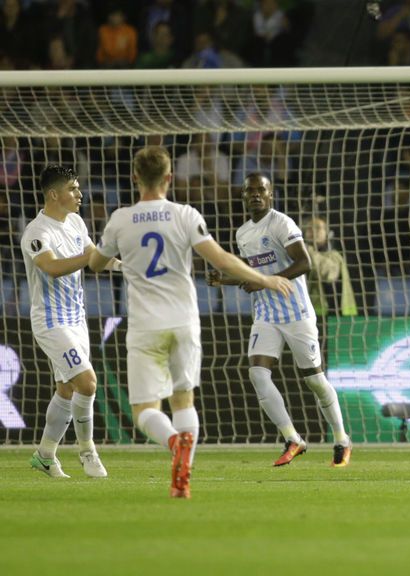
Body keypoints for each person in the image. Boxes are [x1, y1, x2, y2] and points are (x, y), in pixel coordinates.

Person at [88, 147, 293, 498]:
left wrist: (115, 259)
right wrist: (266, 279)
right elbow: (222, 259)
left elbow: (94, 264)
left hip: (144, 325)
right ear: (170, 178)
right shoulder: (185, 214)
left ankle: (173, 442)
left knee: (144, 411)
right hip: (183, 320)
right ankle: (181, 482)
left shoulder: (119, 219)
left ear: (135, 177)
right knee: (184, 401)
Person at [207, 173, 353, 468]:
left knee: (315, 380)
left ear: (270, 194)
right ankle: (292, 438)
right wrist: (225, 279)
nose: (255, 194)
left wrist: (265, 281)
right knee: (257, 374)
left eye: (261, 190)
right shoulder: (243, 233)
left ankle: (341, 438)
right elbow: (253, 274)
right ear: (243, 196)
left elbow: (304, 263)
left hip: (297, 313)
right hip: (266, 315)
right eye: (250, 191)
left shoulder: (281, 223)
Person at [21, 165, 118, 479]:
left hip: (77, 319)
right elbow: (51, 267)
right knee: (87, 383)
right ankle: (88, 450)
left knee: (65, 389)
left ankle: (45, 454)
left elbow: (96, 259)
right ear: (54, 194)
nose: (80, 194)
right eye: (73, 189)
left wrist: (126, 266)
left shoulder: (76, 222)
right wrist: (93, 258)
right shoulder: (37, 232)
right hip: (50, 322)